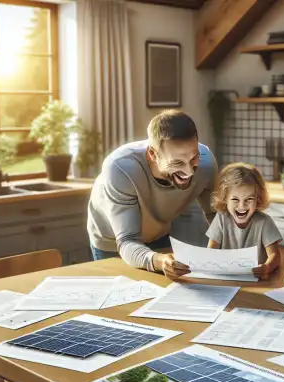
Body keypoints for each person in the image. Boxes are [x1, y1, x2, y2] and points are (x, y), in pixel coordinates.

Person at [87, 110, 217, 279]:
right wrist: (159, 261)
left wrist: (221, 255)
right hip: (113, 242)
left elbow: (216, 216)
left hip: (158, 233)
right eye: (177, 162)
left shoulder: (206, 162)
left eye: (194, 159)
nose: (189, 171)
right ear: (153, 154)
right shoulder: (121, 168)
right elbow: (127, 241)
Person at [206, 162, 283, 280]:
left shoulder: (264, 222)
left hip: (256, 281)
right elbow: (210, 251)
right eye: (235, 199)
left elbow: (275, 256)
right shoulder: (221, 218)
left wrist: (266, 268)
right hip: (226, 279)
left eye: (249, 199)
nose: (242, 206)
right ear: (225, 198)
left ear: (258, 199)